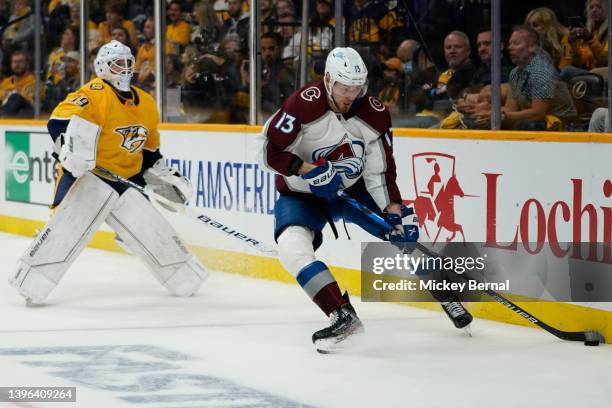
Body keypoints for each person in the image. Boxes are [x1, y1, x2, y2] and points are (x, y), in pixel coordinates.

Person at [256, 47, 472, 353]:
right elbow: (268, 151)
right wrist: (308, 171)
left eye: (357, 89)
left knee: (403, 234)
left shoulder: (374, 113)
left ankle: (446, 292)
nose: (351, 95)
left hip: (353, 190)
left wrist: (393, 209)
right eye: (345, 88)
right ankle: (342, 315)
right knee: (291, 248)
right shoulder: (302, 105)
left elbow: (380, 169)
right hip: (303, 194)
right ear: (328, 80)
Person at [8, 40, 208, 305]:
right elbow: (58, 122)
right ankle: (32, 280)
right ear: (102, 66)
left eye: (128, 63)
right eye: (117, 63)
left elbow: (148, 150)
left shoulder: (146, 103)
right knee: (62, 228)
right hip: (87, 174)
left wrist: (161, 177)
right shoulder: (93, 93)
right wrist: (67, 149)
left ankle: (182, 276)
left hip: (127, 180)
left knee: (152, 231)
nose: (124, 69)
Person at [473, 25, 576, 130]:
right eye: (510, 44)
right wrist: (488, 112)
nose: (510, 48)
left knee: (527, 125)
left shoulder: (541, 71)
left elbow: (537, 113)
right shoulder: (515, 73)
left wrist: (501, 116)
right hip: (535, 122)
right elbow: (510, 109)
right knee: (480, 122)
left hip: (563, 126)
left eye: (516, 44)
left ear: (532, 47)